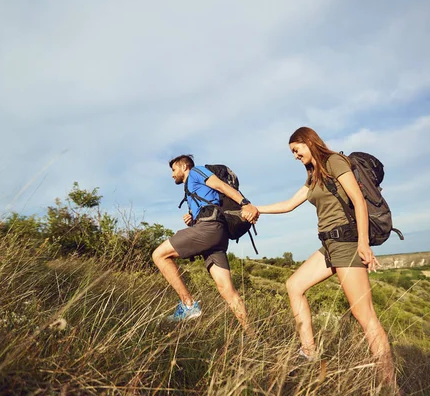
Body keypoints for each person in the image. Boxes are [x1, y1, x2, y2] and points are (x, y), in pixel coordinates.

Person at [255, 127, 398, 386]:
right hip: (329, 245)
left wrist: (364, 243)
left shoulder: (334, 161)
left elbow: (358, 200)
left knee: (365, 316)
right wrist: (256, 209)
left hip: (347, 242)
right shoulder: (315, 176)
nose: (295, 156)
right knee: (294, 286)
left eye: (296, 150)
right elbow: (288, 204)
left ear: (308, 142)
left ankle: (389, 385)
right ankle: (308, 353)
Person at [152, 154, 259, 329]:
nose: (172, 175)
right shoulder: (192, 188)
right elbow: (210, 204)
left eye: (173, 170)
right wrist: (192, 219)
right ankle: (252, 337)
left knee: (159, 255)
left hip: (209, 229)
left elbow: (221, 186)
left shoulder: (196, 171)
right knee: (228, 291)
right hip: (217, 235)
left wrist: (245, 203)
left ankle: (188, 305)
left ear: (184, 167)